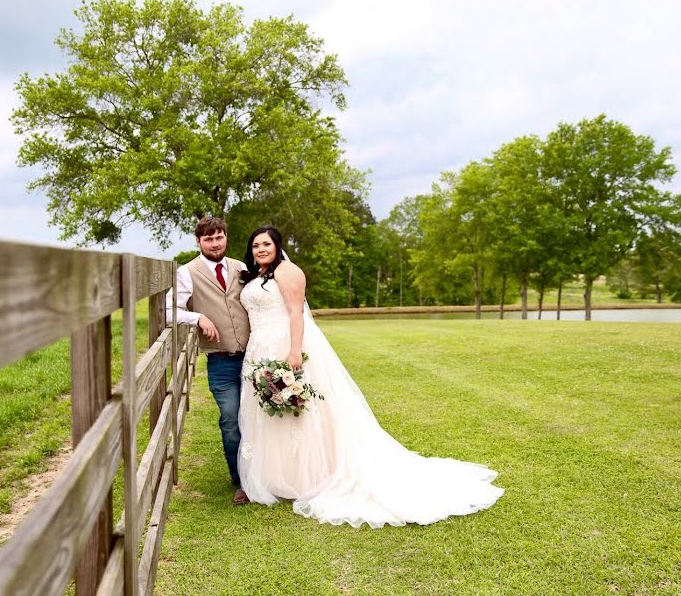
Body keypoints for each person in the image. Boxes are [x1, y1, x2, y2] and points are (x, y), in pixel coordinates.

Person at [237, 226, 504, 527]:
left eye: (266, 244)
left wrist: (294, 352)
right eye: (256, 244)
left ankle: (308, 475)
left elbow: (296, 313)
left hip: (286, 343)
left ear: (277, 246)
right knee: (271, 414)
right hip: (258, 350)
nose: (261, 249)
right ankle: (277, 475)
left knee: (298, 411)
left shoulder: (288, 272)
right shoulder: (254, 276)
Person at [166, 216, 250, 505]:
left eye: (219, 237)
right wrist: (198, 316)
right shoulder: (187, 272)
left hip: (254, 357)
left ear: (226, 236)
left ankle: (264, 476)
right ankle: (240, 480)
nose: (215, 243)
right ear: (198, 242)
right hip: (221, 362)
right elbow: (168, 311)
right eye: (208, 239)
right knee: (230, 419)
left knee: (258, 419)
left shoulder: (242, 267)